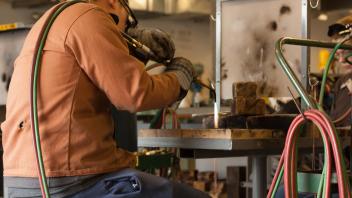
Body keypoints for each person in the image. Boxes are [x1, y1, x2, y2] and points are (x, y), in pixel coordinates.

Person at [1, 0, 209, 197]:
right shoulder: (89, 17)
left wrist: (132, 49)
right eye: (125, 22)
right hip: (68, 181)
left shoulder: (49, 22)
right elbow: (135, 94)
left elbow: (97, 74)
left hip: (21, 178)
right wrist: (178, 79)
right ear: (114, 2)